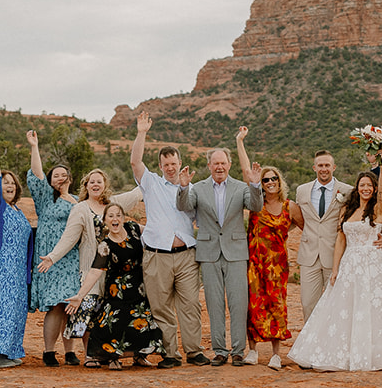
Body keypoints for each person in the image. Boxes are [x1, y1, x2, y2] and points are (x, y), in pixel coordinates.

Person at [288, 169, 382, 371]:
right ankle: (346, 352)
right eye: (362, 185)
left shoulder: (379, 208)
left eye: (369, 185)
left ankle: (372, 354)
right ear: (357, 188)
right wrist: (335, 269)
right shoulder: (347, 210)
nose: (366, 189)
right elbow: (340, 240)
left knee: (372, 310)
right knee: (347, 308)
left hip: (374, 264)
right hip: (351, 263)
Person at [177, 128, 262, 365]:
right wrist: (183, 187)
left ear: (229, 164)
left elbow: (255, 207)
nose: (219, 167)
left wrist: (255, 186)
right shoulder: (199, 188)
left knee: (238, 302)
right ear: (209, 166)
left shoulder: (241, 187)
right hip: (209, 252)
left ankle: (237, 351)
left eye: (223, 163)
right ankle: (219, 351)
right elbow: (185, 206)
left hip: (235, 251)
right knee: (214, 303)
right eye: (215, 163)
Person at [41, 168, 142, 360]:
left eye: (99, 181)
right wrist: (52, 257)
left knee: (111, 312)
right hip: (91, 268)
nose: (96, 185)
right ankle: (90, 354)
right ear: (86, 186)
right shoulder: (80, 209)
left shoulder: (113, 204)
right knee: (90, 312)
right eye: (92, 182)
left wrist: (161, 180)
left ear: (105, 185)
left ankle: (110, 353)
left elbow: (137, 193)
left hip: (114, 270)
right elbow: (69, 237)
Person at [130, 113, 206, 367]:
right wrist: (142, 132)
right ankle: (170, 354)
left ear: (180, 162)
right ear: (160, 165)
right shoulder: (151, 183)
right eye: (166, 164)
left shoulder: (192, 189)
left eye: (174, 163)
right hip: (157, 255)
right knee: (161, 307)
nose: (170, 168)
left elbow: (200, 220)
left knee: (190, 305)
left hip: (186, 256)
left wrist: (186, 188)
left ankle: (194, 351)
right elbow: (134, 162)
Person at [70, 202, 164, 369]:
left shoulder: (133, 228)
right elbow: (95, 271)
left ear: (123, 218)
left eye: (118, 215)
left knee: (143, 321)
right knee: (115, 323)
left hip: (139, 286)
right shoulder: (105, 245)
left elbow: (154, 231)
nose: (115, 219)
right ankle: (113, 357)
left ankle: (139, 356)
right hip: (117, 291)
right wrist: (80, 295)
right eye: (111, 216)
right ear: (105, 220)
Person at [26, 131, 84, 367]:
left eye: (64, 175)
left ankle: (70, 351)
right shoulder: (44, 198)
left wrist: (67, 195)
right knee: (55, 305)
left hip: (71, 259)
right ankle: (49, 351)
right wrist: (35, 147)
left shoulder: (77, 200)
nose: (59, 178)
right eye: (56, 175)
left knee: (70, 303)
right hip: (48, 258)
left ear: (70, 179)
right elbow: (37, 175)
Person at [0, 141, 36, 367]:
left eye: (12, 182)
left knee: (14, 311)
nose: (9, 185)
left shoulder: (18, 211)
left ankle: (9, 352)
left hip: (17, 273)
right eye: (5, 182)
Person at [246, 161, 302, 369]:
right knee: (254, 306)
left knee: (277, 306)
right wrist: (240, 142)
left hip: (277, 266)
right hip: (255, 263)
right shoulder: (255, 205)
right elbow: (246, 172)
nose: (270, 182)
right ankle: (252, 351)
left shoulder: (290, 206)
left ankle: (276, 355)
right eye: (266, 179)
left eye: (274, 178)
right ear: (260, 184)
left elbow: (303, 226)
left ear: (280, 181)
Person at [295, 149, 352, 323]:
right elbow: (298, 217)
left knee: (334, 303)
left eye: (327, 165)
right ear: (314, 168)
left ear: (333, 167)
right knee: (307, 303)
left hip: (335, 255)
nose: (324, 169)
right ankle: (309, 346)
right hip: (309, 255)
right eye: (320, 165)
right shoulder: (302, 190)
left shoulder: (347, 191)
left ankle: (331, 346)